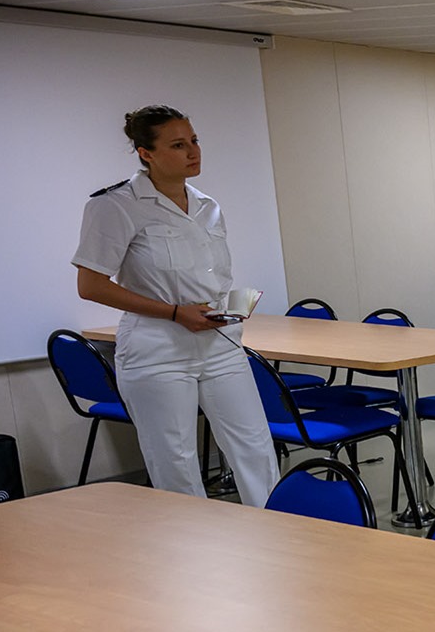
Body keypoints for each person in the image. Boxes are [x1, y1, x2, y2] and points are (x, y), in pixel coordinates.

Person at [71, 106, 279, 506]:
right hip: (158, 350)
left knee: (255, 448)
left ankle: (279, 543)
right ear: (145, 153)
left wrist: (230, 304)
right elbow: (91, 285)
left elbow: (211, 277)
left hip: (219, 343)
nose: (192, 152)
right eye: (178, 145)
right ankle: (191, 560)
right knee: (176, 464)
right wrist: (173, 311)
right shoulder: (115, 205)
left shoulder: (207, 205)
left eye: (194, 141)